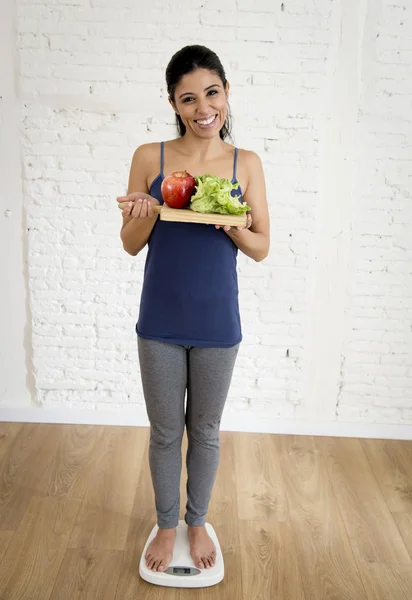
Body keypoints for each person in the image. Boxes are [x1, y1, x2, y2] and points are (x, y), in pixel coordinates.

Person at [117, 45, 270, 574]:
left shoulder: (244, 164)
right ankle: (165, 525)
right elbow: (131, 244)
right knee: (165, 432)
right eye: (189, 98)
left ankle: (197, 520)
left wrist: (228, 219)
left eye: (212, 92)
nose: (203, 107)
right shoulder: (149, 157)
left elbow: (261, 247)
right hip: (158, 320)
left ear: (226, 92)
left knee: (204, 430)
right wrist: (147, 210)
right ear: (174, 104)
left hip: (216, 323)